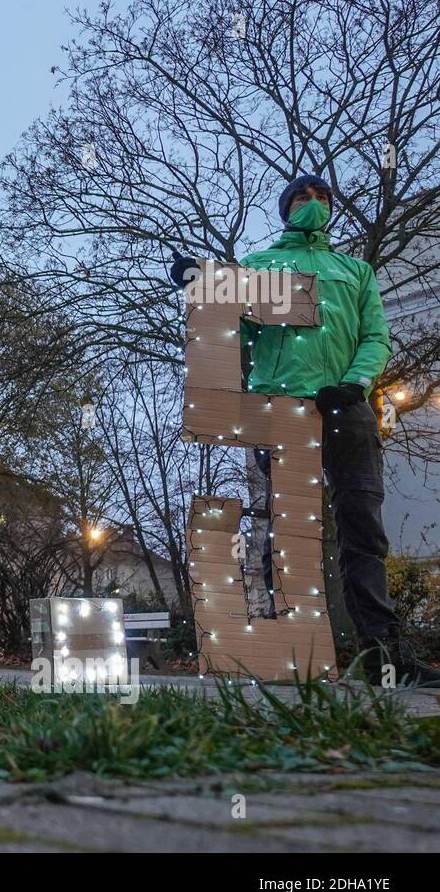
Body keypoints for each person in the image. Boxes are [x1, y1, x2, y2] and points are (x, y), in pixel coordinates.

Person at [171, 174, 440, 687]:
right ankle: (290, 651)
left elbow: (375, 335)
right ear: (284, 209)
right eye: (302, 197)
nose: (313, 204)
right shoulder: (258, 267)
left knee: (364, 529)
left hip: (347, 408)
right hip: (282, 412)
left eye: (322, 198)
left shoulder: (355, 270)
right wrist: (203, 286)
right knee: (286, 531)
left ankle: (387, 659)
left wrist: (356, 382)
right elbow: (235, 332)